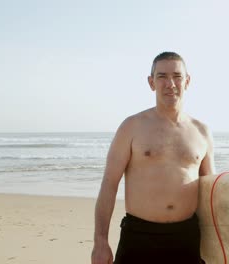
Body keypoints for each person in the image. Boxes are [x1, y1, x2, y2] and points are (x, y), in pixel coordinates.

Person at [91, 51, 215, 264]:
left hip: (187, 238)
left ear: (187, 81)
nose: (170, 83)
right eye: (162, 76)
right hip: (139, 237)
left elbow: (211, 193)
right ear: (151, 82)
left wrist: (224, 242)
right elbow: (109, 184)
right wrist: (100, 241)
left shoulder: (202, 131)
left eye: (177, 76)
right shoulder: (131, 127)